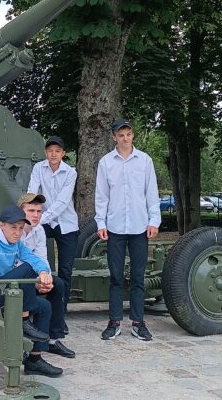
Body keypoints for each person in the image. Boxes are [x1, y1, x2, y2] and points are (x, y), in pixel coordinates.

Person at [0, 204, 63, 378]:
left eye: (20, 228)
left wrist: (43, 272)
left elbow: (35, 259)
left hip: (5, 292)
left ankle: (34, 360)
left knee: (45, 307)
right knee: (26, 269)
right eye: (13, 227)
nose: (17, 232)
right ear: (2, 225)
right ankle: (24, 320)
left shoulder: (18, 245)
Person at [95, 118, 160, 342]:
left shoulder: (145, 161)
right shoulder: (106, 163)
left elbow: (151, 193)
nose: (125, 139)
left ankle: (138, 323)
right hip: (115, 227)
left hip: (139, 227)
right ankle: (114, 322)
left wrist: (154, 221)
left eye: (128, 134)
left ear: (133, 135)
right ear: (114, 137)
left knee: (138, 276)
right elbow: (101, 196)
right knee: (115, 277)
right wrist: (101, 223)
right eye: (121, 135)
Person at [18, 192, 75, 359]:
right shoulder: (12, 230)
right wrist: (35, 281)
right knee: (34, 290)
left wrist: (45, 279)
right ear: (21, 212)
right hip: (14, 279)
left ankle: (53, 339)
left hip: (32, 277)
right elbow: (14, 264)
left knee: (58, 285)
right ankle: (27, 336)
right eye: (31, 211)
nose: (36, 215)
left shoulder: (39, 231)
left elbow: (42, 259)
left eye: (39, 211)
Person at [27, 136, 78, 312]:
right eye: (50, 151)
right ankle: (32, 305)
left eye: (57, 151)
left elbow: (63, 202)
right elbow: (32, 192)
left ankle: (60, 312)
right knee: (30, 258)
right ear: (45, 152)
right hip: (43, 222)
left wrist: (40, 219)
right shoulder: (38, 168)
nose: (53, 154)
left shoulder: (70, 172)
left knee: (65, 270)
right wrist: (31, 215)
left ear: (63, 153)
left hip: (66, 224)